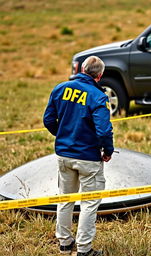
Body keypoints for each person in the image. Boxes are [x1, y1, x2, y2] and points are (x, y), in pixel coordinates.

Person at [43, 56, 114, 256]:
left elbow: (48, 119)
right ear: (99, 76)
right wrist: (107, 151)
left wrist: (64, 135)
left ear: (82, 68)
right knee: (89, 203)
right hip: (88, 157)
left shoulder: (60, 88)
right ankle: (84, 249)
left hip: (64, 155)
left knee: (65, 199)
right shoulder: (98, 96)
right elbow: (104, 131)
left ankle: (65, 244)